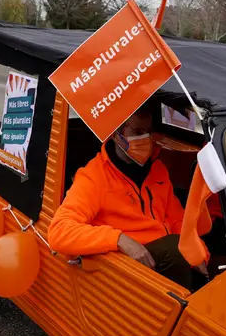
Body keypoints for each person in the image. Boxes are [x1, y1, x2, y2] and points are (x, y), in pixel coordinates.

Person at [49, 105, 204, 290]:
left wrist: (198, 254)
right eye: (137, 132)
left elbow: (178, 220)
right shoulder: (94, 176)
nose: (145, 139)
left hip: (163, 257)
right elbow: (59, 231)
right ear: (115, 134)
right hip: (125, 266)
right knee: (175, 249)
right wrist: (119, 240)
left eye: (148, 132)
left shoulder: (158, 169)